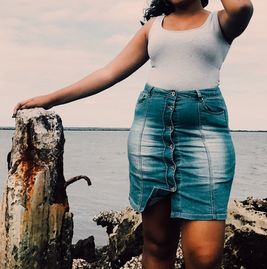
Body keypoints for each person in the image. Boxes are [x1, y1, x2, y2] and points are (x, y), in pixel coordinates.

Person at [12, 0, 253, 268]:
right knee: (158, 244)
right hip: (150, 136)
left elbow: (242, 6)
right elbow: (108, 72)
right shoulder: (153, 27)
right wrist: (51, 99)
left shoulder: (220, 22)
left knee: (205, 258)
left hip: (205, 140)